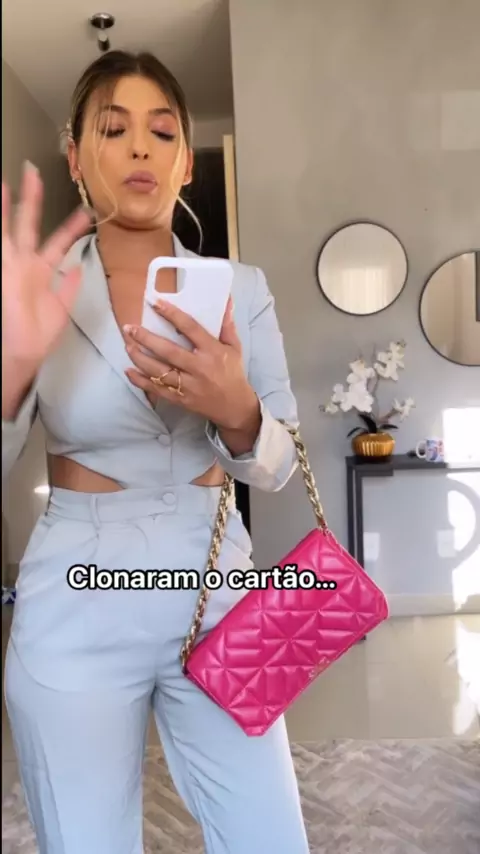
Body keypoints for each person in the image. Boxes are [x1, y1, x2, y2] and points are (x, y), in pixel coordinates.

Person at [2, 51, 310, 854]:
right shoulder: (34, 293)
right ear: (75, 158)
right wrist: (11, 370)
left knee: (271, 837)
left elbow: (279, 466)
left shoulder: (242, 288)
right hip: (75, 592)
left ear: (184, 161)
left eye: (163, 131)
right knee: (85, 840)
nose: (140, 146)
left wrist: (236, 410)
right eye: (113, 129)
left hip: (221, 580)